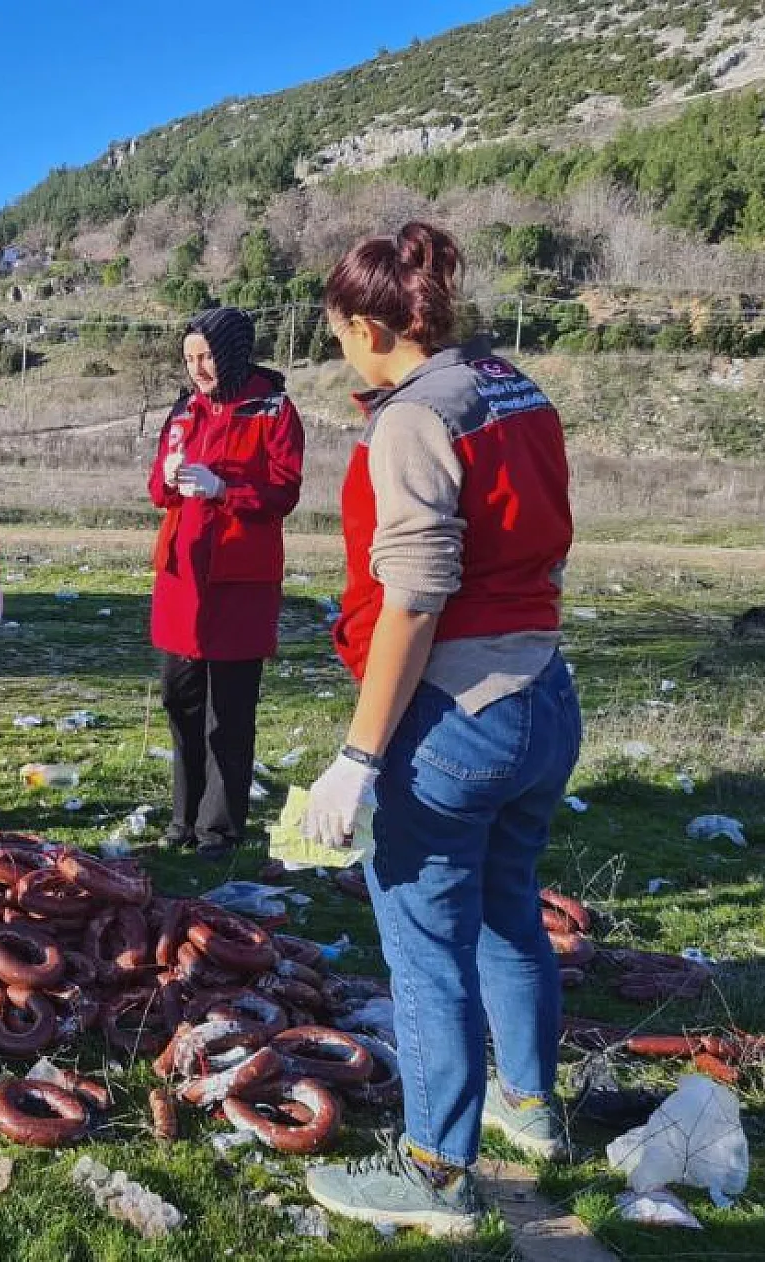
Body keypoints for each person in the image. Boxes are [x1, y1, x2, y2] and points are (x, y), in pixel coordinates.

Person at [299, 222, 581, 1237]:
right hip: (544, 693)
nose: (338, 352)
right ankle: (530, 1106)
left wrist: (356, 758)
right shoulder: (510, 384)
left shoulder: (413, 419)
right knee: (508, 909)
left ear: (371, 327)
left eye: (338, 334)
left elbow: (414, 596)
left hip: (458, 714)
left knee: (424, 950)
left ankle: (433, 1170)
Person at [148, 307, 304, 857]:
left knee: (229, 713)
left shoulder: (274, 409)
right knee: (180, 702)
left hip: (239, 580)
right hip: (182, 581)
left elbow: (284, 492)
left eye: (206, 356)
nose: (198, 370)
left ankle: (220, 828)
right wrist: (166, 482)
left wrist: (224, 488)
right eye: (189, 359)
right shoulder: (185, 408)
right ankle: (183, 817)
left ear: (232, 352)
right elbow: (158, 487)